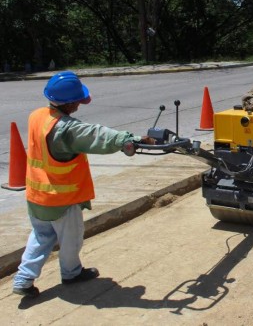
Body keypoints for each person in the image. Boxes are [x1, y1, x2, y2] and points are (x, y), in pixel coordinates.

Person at [12, 71, 156, 299]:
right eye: (77, 100)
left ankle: (23, 278)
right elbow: (95, 135)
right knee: (71, 239)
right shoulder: (65, 128)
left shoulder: (38, 115)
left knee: (41, 236)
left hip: (37, 195)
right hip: (61, 199)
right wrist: (130, 139)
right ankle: (71, 273)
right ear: (69, 102)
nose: (80, 104)